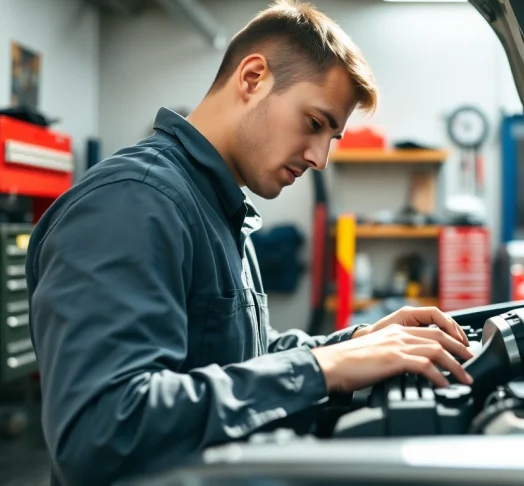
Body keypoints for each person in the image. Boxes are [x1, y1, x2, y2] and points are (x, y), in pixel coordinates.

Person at [25, 2, 474, 485]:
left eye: (332, 137)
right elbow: (100, 432)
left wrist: (355, 344)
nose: (320, 158)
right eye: (315, 123)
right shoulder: (133, 202)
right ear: (253, 78)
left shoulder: (218, 205)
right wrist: (322, 367)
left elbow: (242, 357)